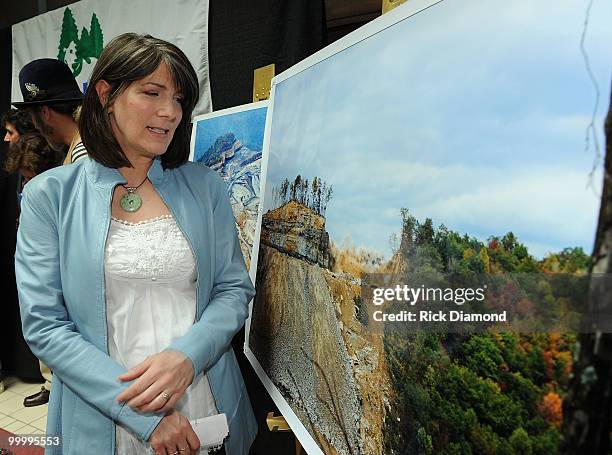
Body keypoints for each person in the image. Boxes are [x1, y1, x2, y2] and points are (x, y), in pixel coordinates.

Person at [15, 33, 257, 454]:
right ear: (106, 94)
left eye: (180, 99)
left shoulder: (204, 186)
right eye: (152, 93)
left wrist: (188, 357)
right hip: (104, 416)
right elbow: (45, 324)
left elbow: (233, 289)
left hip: (205, 404)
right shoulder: (50, 196)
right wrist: (145, 417)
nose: (171, 112)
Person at [12, 58, 87, 163]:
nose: (35, 125)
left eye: (31, 115)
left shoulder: (83, 155)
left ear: (44, 112)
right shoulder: (87, 145)